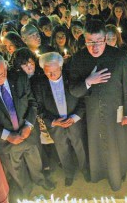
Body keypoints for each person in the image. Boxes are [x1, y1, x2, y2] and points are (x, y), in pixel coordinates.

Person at [0, 53, 55, 198]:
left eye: (0, 75)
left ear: (6, 68)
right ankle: (25, 189)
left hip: (28, 133)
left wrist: (28, 126)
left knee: (36, 161)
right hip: (5, 140)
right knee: (16, 169)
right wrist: (8, 136)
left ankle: (40, 180)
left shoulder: (20, 77)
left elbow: (32, 103)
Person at [68, 19, 127, 191]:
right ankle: (99, 173)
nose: (95, 47)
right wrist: (88, 81)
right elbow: (73, 90)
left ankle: (117, 174)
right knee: (96, 146)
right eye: (90, 42)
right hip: (92, 114)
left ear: (105, 39)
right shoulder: (78, 59)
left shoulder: (119, 56)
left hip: (116, 110)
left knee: (117, 145)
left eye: (99, 41)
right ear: (84, 40)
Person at [31, 52, 90, 187]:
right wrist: (52, 121)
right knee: (62, 150)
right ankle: (69, 173)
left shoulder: (72, 78)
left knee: (80, 147)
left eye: (55, 71)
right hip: (55, 125)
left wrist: (75, 117)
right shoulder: (39, 84)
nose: (52, 75)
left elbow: (82, 99)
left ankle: (85, 170)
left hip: (74, 121)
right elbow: (38, 107)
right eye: (48, 72)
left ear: (61, 67)